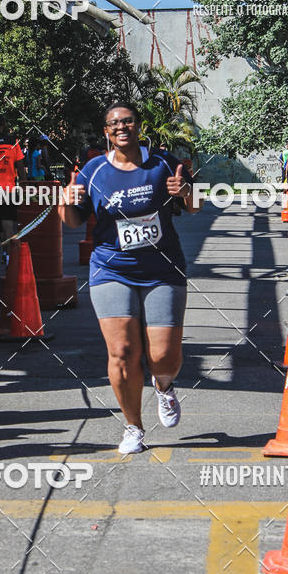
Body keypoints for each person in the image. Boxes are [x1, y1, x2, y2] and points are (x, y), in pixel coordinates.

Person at [58, 101, 202, 455]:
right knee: (122, 351)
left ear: (138, 126)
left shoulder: (163, 163)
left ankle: (164, 387)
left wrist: (186, 193)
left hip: (162, 270)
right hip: (111, 269)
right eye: (113, 123)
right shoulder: (92, 171)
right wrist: (65, 201)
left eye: (128, 121)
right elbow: (73, 222)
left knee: (164, 356)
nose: (121, 127)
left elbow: (194, 204)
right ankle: (133, 426)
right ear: (106, 132)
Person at [0, 112, 26, 240]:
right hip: (9, 190)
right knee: (8, 223)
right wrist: (24, 185)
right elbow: (20, 166)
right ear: (4, 125)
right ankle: (9, 255)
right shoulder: (12, 141)